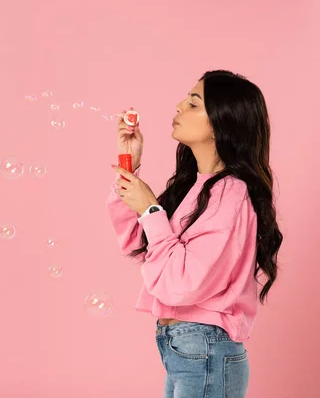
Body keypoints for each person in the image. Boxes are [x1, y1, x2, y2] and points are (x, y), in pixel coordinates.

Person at [106, 70, 283, 397]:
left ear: (221, 121)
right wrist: (128, 162)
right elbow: (136, 240)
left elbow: (182, 284)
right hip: (186, 348)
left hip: (204, 347)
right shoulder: (195, 187)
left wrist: (150, 210)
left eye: (193, 103)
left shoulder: (231, 193)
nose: (178, 106)